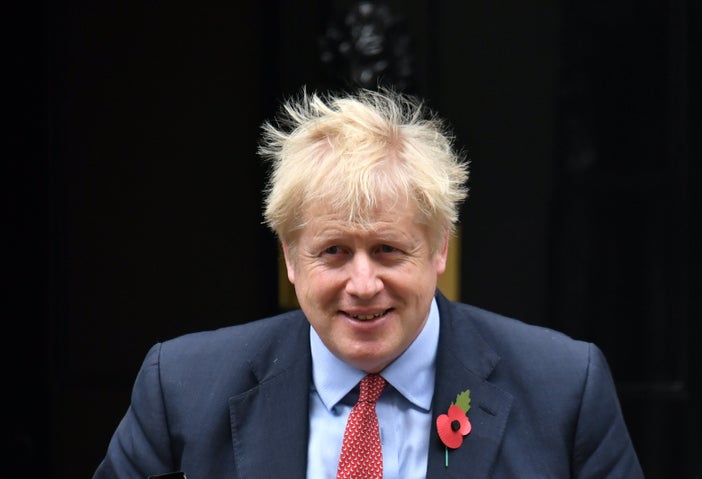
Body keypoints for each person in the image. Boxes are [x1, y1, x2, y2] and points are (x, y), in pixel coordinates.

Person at [92, 88, 644, 478]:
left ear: (439, 250)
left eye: (387, 250)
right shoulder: (182, 390)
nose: (362, 284)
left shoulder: (565, 388)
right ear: (289, 257)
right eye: (333, 252)